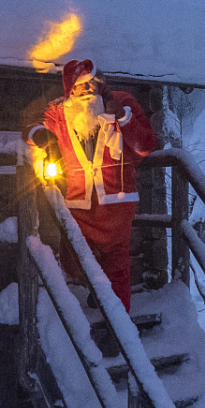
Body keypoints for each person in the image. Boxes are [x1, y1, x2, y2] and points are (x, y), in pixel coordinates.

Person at [31, 58, 157, 309]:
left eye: (91, 83)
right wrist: (38, 136)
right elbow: (32, 130)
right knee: (76, 258)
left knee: (118, 267)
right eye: (80, 85)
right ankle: (96, 292)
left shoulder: (122, 104)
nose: (88, 89)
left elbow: (145, 147)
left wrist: (122, 116)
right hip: (80, 206)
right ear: (70, 90)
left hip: (116, 205)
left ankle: (119, 327)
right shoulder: (59, 114)